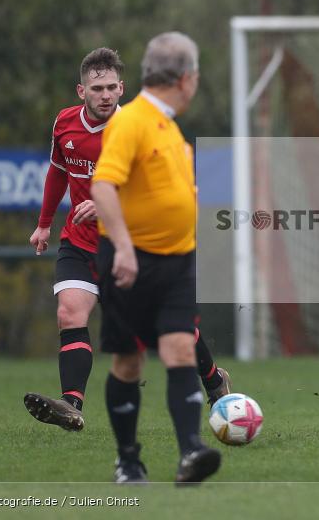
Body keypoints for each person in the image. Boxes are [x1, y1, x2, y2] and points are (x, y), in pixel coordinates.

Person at [24, 47, 230, 435]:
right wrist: (44, 223)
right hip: (80, 243)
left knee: (170, 328)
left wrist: (106, 205)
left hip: (131, 247)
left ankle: (214, 379)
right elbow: (58, 171)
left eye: (110, 88)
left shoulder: (136, 129)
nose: (104, 95)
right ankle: (71, 405)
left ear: (122, 88)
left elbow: (154, 192)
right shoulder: (64, 124)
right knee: (70, 313)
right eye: (96, 88)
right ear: (81, 91)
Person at [91, 32, 221, 485]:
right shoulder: (132, 121)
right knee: (129, 361)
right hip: (131, 260)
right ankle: (128, 462)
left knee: (180, 348)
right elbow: (102, 186)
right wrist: (124, 248)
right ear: (186, 79)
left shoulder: (169, 127)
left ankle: (191, 453)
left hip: (177, 262)